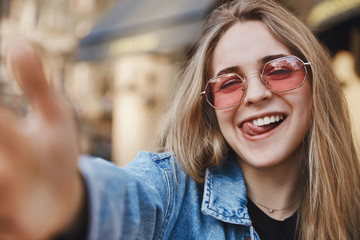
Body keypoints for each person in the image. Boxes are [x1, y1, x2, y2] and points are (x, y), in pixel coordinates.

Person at [1, 0, 359, 239]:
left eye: (279, 70)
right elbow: (127, 202)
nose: (254, 95)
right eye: (229, 83)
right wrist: (73, 203)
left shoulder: (351, 207)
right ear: (211, 107)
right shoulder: (172, 190)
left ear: (317, 86)